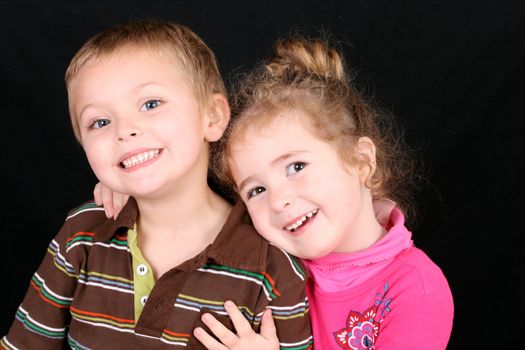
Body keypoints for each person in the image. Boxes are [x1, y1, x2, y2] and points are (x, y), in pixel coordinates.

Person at [93, 36, 454, 349]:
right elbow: (188, 199)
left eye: (296, 167)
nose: (278, 200)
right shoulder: (268, 254)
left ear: (360, 160)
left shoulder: (416, 290)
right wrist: (133, 189)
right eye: (257, 190)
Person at [0, 20, 312, 350]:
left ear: (212, 116)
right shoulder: (81, 234)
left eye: (150, 104)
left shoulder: (273, 266)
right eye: (100, 121)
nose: (125, 130)